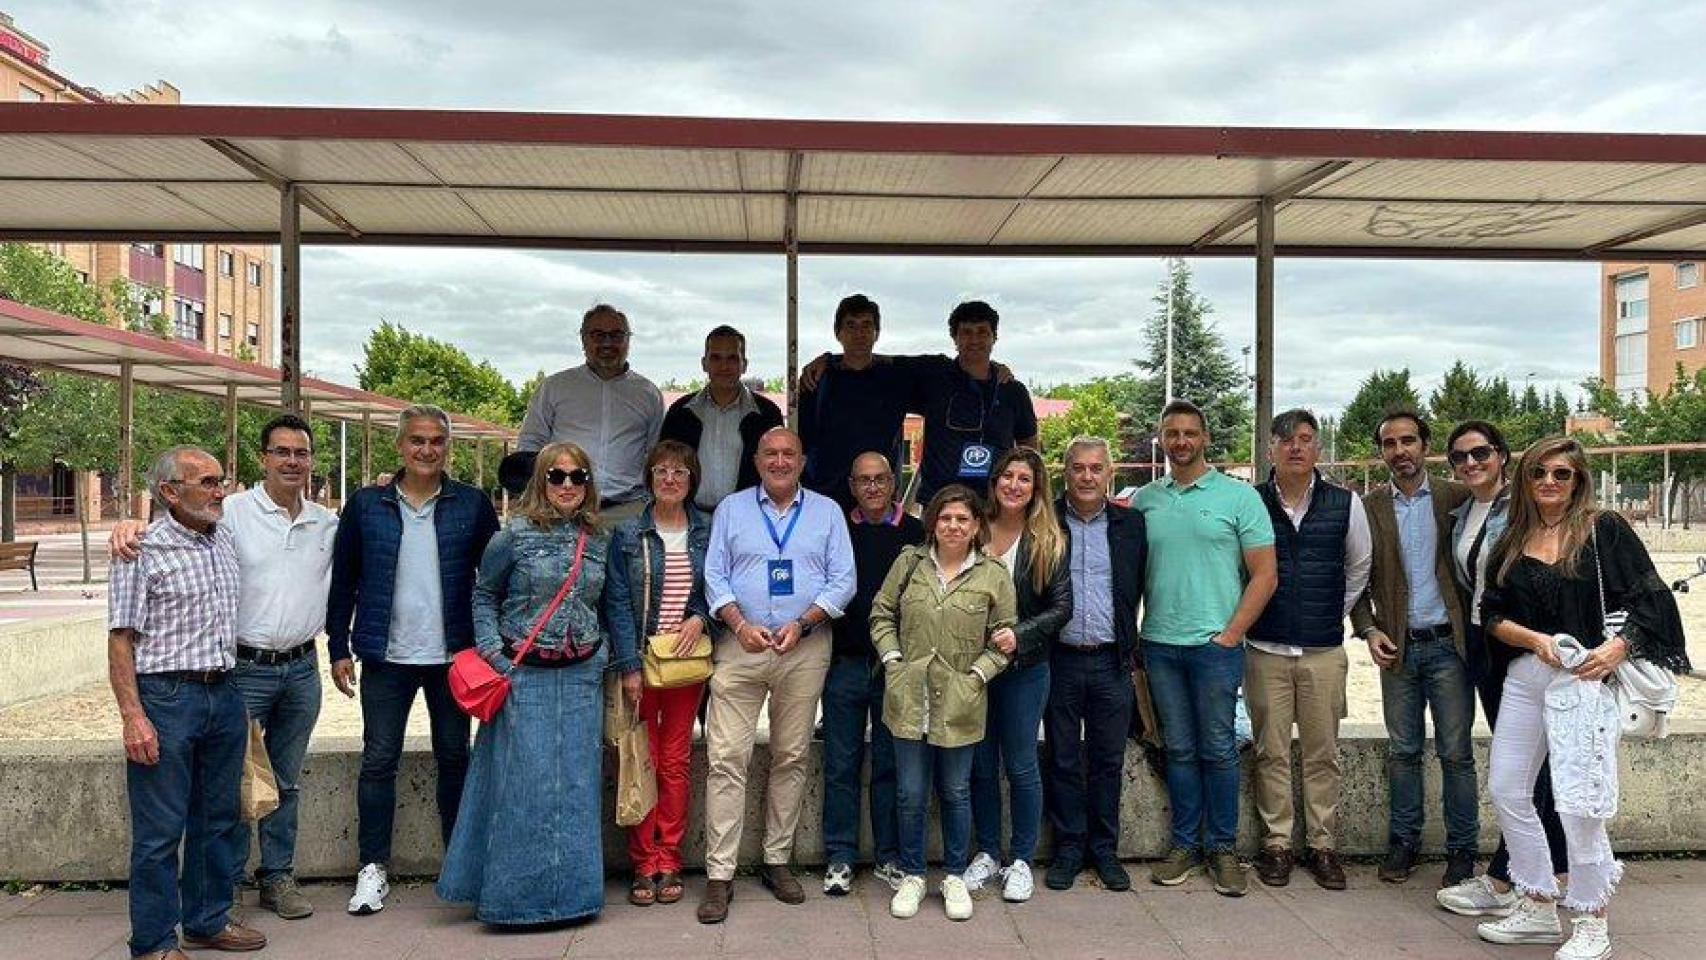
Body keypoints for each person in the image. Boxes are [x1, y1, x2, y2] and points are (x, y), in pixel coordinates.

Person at [109, 415, 338, 920]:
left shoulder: (326, 522)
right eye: (281, 451)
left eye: (301, 452)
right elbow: (171, 526)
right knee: (232, 786)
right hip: (242, 669)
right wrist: (130, 525)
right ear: (263, 458)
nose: (292, 461)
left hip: (301, 668)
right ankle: (223, 891)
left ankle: (276, 877)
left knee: (285, 779)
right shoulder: (229, 512)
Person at [1474, 436, 1689, 959]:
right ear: (1524, 479)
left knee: (1580, 804)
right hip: (1526, 678)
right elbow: (1492, 616)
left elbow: (1652, 599)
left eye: (1561, 474)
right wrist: (1535, 641)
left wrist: (1618, 648)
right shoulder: (1510, 539)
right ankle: (1539, 898)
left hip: (1585, 679)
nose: (1549, 482)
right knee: (1507, 789)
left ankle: (1592, 918)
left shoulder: (1604, 530)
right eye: (1538, 473)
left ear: (1578, 480)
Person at [436, 442, 642, 925]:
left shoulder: (599, 538)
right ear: (541, 481)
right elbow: (484, 594)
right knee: (520, 788)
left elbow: (614, 604)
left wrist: (619, 659)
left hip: (581, 677)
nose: (567, 486)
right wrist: (494, 653)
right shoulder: (514, 536)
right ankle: (514, 902)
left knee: (575, 789)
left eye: (577, 477)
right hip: (524, 677)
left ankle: (573, 899)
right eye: (557, 476)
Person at [328, 404, 501, 916]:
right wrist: (339, 646)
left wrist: (491, 647)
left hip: (453, 657)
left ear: (448, 447)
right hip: (386, 655)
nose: (427, 450)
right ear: (399, 446)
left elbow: (492, 580)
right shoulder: (365, 506)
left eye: (437, 441)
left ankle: (459, 863)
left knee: (456, 759)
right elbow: (344, 581)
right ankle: (372, 868)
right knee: (379, 760)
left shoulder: (471, 505)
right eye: (417, 441)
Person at [108, 446, 266, 958]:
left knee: (217, 818)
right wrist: (133, 716)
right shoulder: (142, 549)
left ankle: (207, 920)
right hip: (166, 696)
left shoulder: (222, 538)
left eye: (222, 481)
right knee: (159, 832)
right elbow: (120, 639)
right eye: (208, 482)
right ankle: (153, 942)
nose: (220, 491)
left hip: (223, 691)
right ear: (170, 492)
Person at [696, 427, 856, 924]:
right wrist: (738, 624)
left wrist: (805, 621)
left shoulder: (827, 512)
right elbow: (714, 575)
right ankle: (720, 874)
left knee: (791, 755)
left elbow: (843, 579)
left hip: (803, 647)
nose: (780, 460)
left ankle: (776, 860)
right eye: (771, 453)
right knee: (726, 758)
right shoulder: (731, 509)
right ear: (758, 460)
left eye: (789, 453)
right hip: (739, 646)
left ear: (803, 461)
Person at [1132, 400, 1277, 897]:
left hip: (1216, 647)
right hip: (1160, 645)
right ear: (1161, 439)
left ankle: (1222, 848)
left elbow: (1265, 575)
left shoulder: (1239, 499)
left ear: (1206, 438)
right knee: (1178, 748)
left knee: (1218, 749)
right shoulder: (1146, 500)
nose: (1181, 441)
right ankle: (1184, 845)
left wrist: (1232, 633)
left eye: (1190, 432)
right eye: (1171, 432)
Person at [1438, 421, 1569, 917]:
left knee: (1532, 771)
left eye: (1481, 453)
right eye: (1460, 457)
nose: (1471, 463)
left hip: (1527, 645)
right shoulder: (1464, 512)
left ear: (1502, 456)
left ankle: (1514, 877)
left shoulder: (1525, 509)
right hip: (1486, 641)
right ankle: (1528, 875)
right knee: (1518, 767)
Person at [870, 485, 1016, 922]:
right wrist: (894, 661)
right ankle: (913, 875)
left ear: (976, 528)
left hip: (961, 702)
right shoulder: (909, 563)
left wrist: (977, 677)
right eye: (946, 518)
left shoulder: (993, 574)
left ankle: (954, 875)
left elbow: (1006, 637)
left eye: (963, 520)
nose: (954, 526)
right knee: (910, 793)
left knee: (955, 791)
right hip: (908, 696)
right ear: (933, 521)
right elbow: (881, 613)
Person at [1349, 410, 1479, 888]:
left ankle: (1462, 850)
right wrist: (1367, 629)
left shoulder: (1457, 498)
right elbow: (1355, 579)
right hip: (1397, 651)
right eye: (1389, 443)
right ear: (1381, 451)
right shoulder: (1367, 507)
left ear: (1425, 446)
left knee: (1456, 752)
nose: (1399, 451)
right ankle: (1403, 842)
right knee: (1403, 751)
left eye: (1408, 441)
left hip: (1450, 648)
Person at [1244, 410, 1371, 891]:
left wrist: (1328, 610)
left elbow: (1359, 566)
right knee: (1270, 752)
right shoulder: (1252, 502)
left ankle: (1322, 846)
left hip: (1322, 651)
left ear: (1318, 449)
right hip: (1265, 649)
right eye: (1285, 440)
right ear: (1271, 448)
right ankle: (1276, 845)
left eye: (1305, 439)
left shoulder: (1345, 504)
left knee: (1322, 753)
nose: (1296, 447)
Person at [608, 440, 714, 907]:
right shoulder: (629, 533)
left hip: (686, 664)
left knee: (674, 762)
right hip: (640, 663)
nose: (670, 479)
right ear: (649, 479)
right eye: (662, 471)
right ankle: (643, 861)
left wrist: (700, 615)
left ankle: (669, 855)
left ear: (692, 480)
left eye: (680, 472)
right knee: (639, 759)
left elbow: (721, 582)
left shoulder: (706, 531)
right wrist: (628, 665)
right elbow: (616, 602)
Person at [964, 446, 1070, 903]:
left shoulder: (1048, 537)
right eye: (1007, 476)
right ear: (994, 481)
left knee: (1022, 763)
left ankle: (1021, 859)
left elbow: (1063, 608)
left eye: (1024, 479)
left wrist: (1019, 635)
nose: (1014, 485)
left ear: (1036, 487)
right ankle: (986, 851)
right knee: (980, 764)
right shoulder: (972, 528)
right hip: (971, 669)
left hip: (1025, 668)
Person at [1042, 437, 1147, 892]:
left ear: (1110, 474)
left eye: (1096, 469)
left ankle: (1104, 850)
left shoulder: (1131, 524)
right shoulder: (1046, 523)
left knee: (1108, 760)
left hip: (1110, 661)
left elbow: (1142, 583)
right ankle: (1068, 849)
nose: (1087, 477)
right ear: (1064, 473)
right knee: (1063, 758)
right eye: (1078, 468)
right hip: (1060, 660)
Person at [820, 451, 923, 896]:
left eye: (881, 479)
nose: (873, 487)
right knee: (841, 764)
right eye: (864, 480)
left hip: (894, 668)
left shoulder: (917, 533)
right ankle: (840, 856)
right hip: (843, 664)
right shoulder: (835, 528)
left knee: (889, 765)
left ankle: (888, 856)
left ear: (893, 482)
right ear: (851, 485)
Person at [517, 303, 665, 526]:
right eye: (598, 335)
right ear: (583, 339)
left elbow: (655, 453)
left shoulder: (648, 394)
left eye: (616, 335)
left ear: (628, 340)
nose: (607, 343)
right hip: (564, 512)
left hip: (627, 512)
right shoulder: (555, 387)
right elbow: (530, 446)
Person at [912, 300, 1038, 504]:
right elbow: (888, 366)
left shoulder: (1013, 391)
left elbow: (1030, 450)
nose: (975, 339)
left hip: (996, 506)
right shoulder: (933, 379)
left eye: (982, 332)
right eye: (967, 332)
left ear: (994, 337)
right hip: (940, 506)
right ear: (954, 337)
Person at [798, 295, 918, 507]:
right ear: (838, 333)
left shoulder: (897, 380)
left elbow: (939, 367)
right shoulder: (817, 381)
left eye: (866, 325)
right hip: (827, 496)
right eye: (851, 325)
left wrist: (996, 369)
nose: (859, 333)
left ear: (876, 333)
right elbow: (804, 440)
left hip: (878, 499)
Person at [660, 325, 784, 512]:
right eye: (716, 358)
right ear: (704, 363)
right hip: (689, 518)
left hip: (748, 519)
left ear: (744, 364)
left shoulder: (767, 414)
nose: (724, 366)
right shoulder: (680, 413)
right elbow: (663, 467)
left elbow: (777, 471)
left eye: (732, 358)